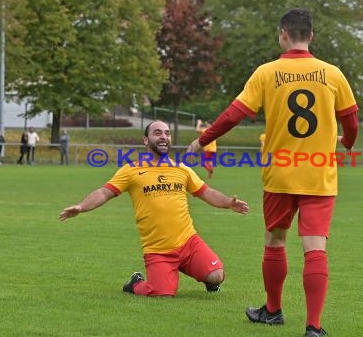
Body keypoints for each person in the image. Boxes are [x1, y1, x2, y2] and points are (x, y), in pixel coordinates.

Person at [186, 9, 359, 337]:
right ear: (311, 35)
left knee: (275, 241)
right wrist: (347, 143)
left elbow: (233, 115)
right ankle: (314, 326)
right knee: (315, 248)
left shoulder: (267, 73)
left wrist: (203, 138)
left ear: (282, 34)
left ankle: (273, 310)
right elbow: (351, 121)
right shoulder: (333, 74)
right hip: (320, 175)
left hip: (280, 174)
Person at [59, 120, 249, 297]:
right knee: (162, 293)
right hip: (158, 250)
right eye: (157, 133)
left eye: (167, 133)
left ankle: (203, 274)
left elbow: (207, 193)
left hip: (189, 242)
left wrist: (228, 203)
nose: (164, 137)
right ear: (145, 140)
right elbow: (103, 192)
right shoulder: (131, 170)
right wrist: (82, 206)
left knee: (217, 275)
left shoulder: (181, 169)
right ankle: (135, 283)